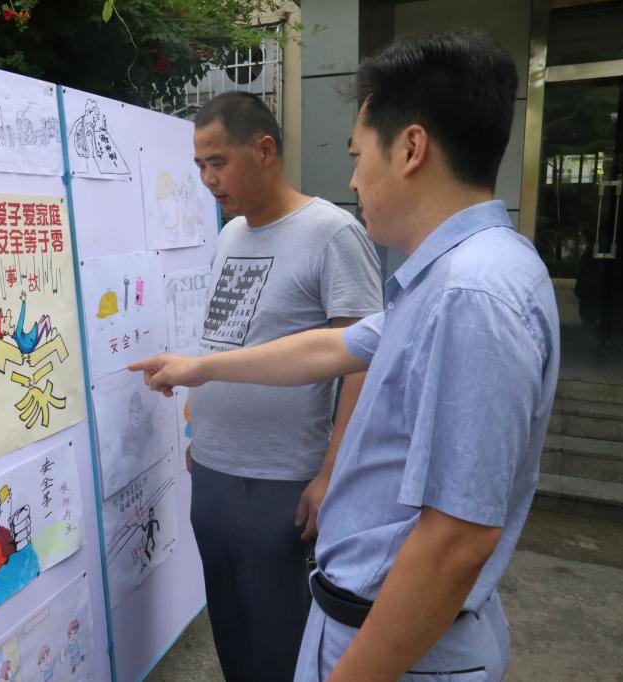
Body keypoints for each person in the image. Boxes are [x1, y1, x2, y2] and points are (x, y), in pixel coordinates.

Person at [130, 31, 559, 682]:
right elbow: (331, 346)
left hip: (399, 645)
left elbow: (457, 540)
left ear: (410, 149)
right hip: (363, 615)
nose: (353, 178)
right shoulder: (449, 277)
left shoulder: (471, 295)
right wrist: (200, 369)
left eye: (359, 156)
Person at [181, 91, 383, 680]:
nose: (208, 179)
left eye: (218, 162)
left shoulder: (331, 233)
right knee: (230, 631)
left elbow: (362, 361)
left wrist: (331, 472)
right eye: (200, 165)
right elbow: (223, 343)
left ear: (265, 150)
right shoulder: (229, 236)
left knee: (281, 641)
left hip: (282, 481)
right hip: (212, 472)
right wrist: (200, 436)